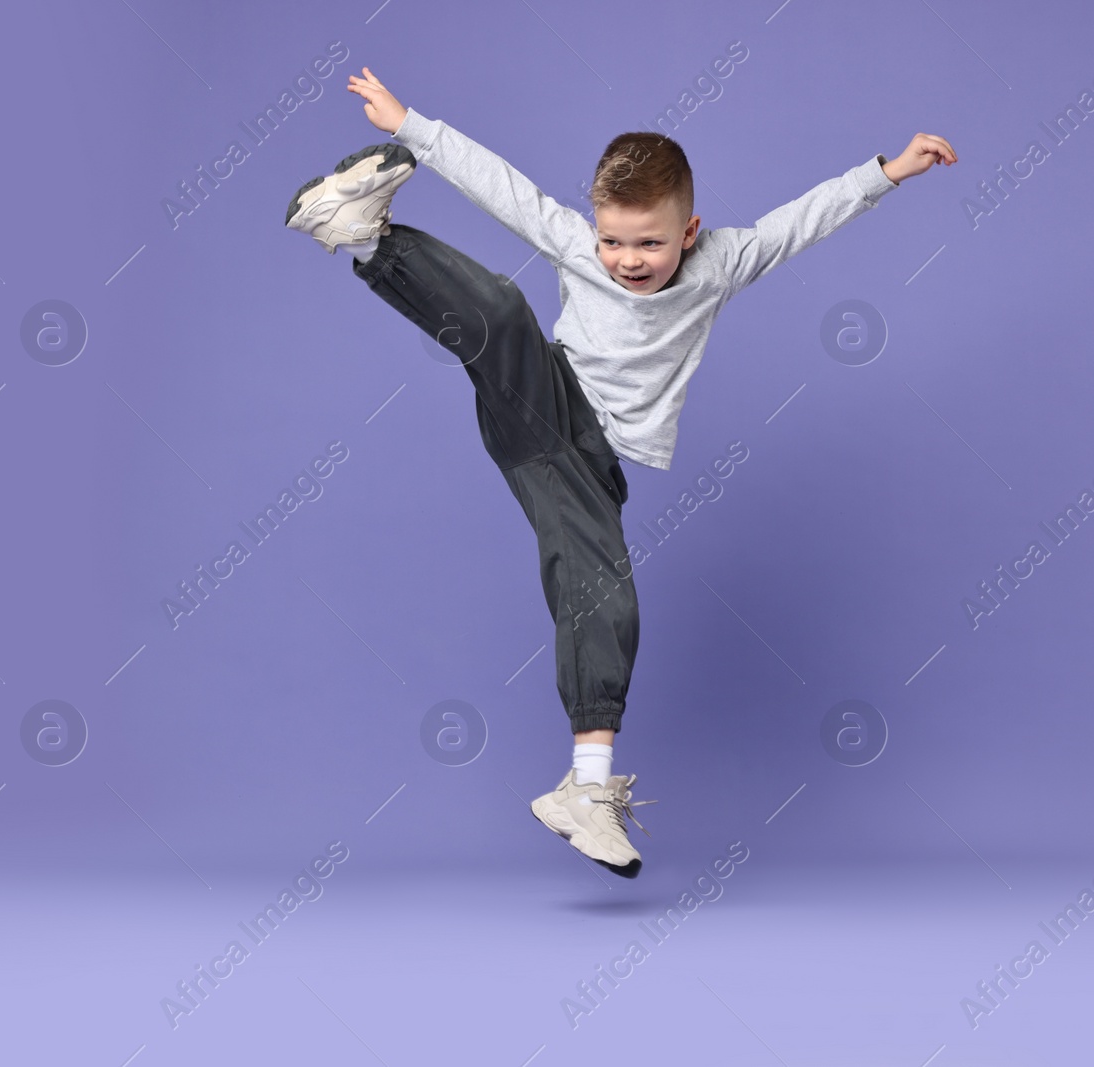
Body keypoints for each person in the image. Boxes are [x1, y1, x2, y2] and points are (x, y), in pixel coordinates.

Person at [285, 65, 956, 878]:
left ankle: (584, 788)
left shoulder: (721, 263)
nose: (626, 261)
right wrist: (412, 126)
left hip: (591, 459)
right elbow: (507, 190)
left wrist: (886, 173)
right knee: (500, 314)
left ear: (690, 231)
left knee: (607, 599)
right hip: (548, 405)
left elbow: (799, 222)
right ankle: (364, 235)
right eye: (612, 240)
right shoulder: (580, 245)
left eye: (647, 243)